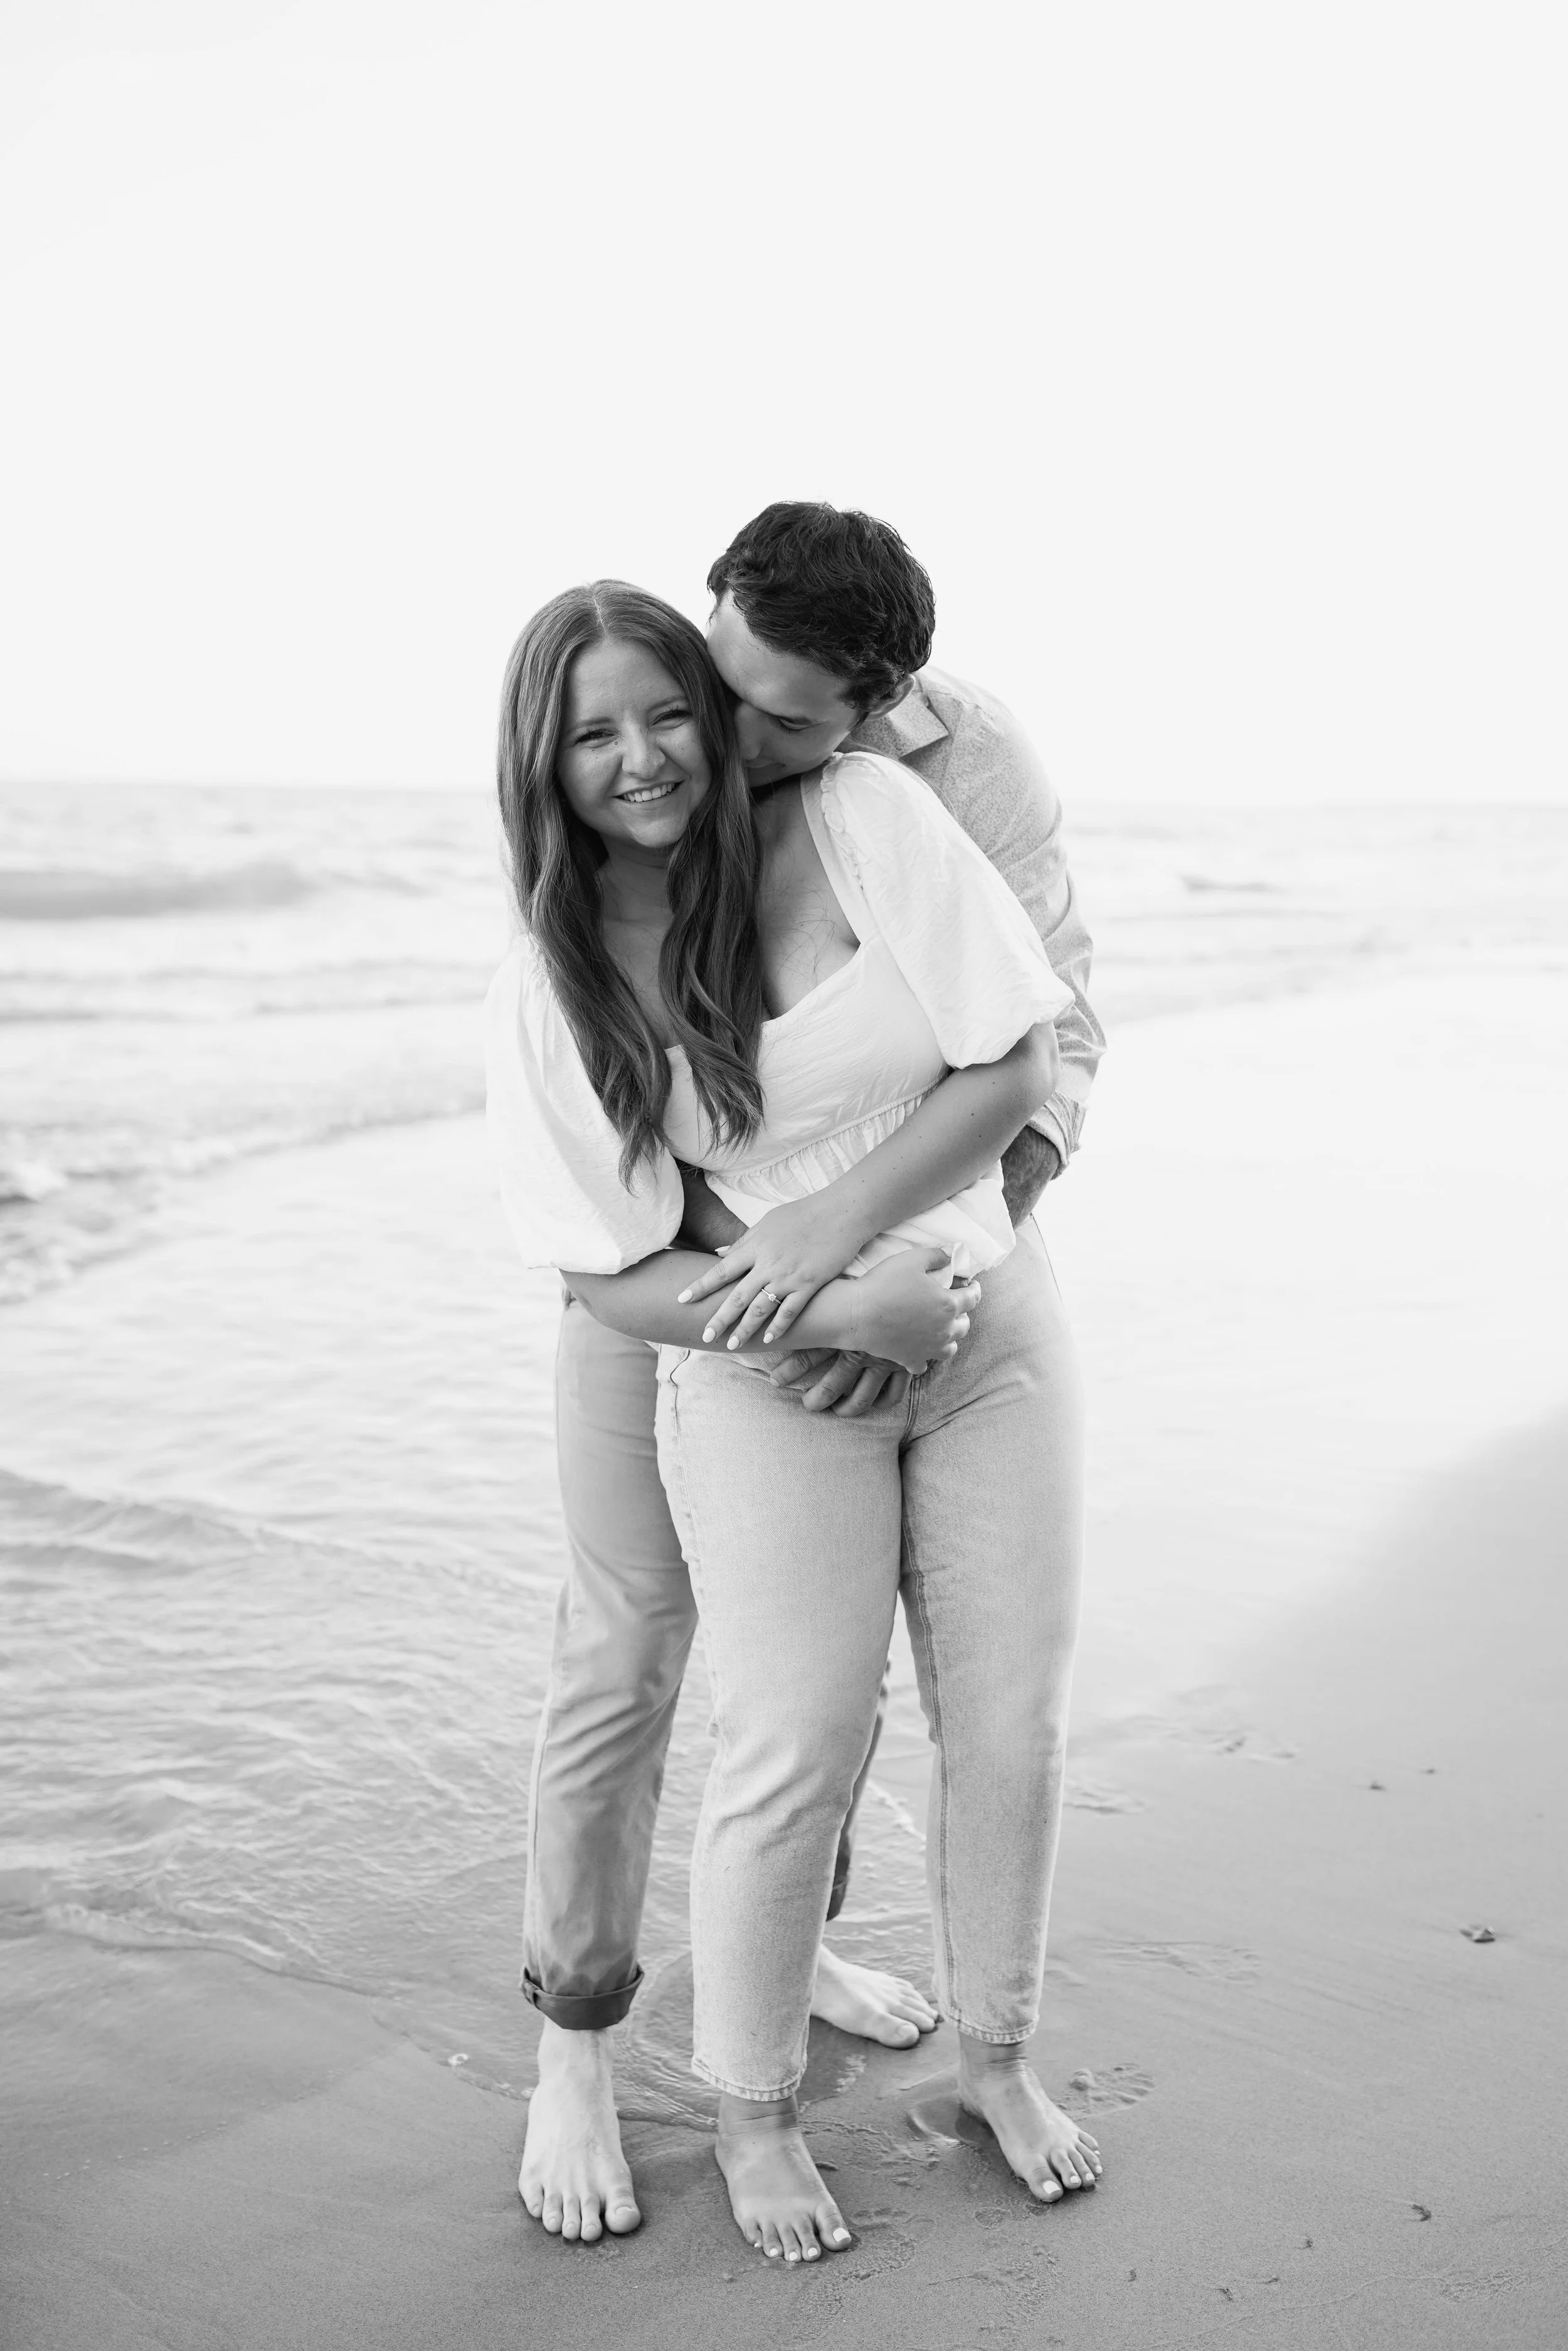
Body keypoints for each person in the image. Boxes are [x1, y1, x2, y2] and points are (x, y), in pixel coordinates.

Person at [487, 578, 1101, 2262]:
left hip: (939, 1289)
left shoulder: (915, 788)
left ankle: (975, 2043)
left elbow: (1038, 1037)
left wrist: (929, 1262)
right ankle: (593, 2049)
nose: (672, 751)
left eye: (680, 715)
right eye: (601, 729)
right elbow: (613, 1259)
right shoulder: (558, 966)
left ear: (862, 701)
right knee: (664, 1671)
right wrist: (830, 1305)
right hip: (706, 1324)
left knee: (999, 1715)